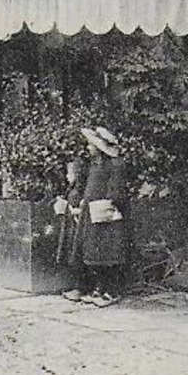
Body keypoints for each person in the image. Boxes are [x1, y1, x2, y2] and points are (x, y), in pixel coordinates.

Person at [61, 126, 129, 308]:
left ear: (99, 147)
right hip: (90, 213)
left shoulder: (114, 165)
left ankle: (110, 291)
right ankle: (96, 288)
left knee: (106, 254)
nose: (88, 148)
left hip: (105, 215)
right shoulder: (94, 165)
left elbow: (116, 191)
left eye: (91, 145)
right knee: (90, 251)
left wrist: (108, 202)